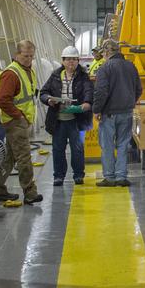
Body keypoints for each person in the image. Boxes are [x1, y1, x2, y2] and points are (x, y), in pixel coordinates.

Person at [0, 40, 43, 205]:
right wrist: (18, 116)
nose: (29, 59)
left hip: (21, 121)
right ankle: (29, 191)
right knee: (24, 157)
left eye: (31, 56)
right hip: (15, 122)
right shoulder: (11, 74)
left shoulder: (28, 71)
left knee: (10, 158)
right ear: (17, 54)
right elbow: (2, 100)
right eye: (25, 56)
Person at [40, 46, 93, 186]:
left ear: (78, 61)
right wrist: (49, 100)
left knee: (77, 149)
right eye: (68, 59)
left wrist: (86, 103)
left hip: (77, 120)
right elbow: (43, 93)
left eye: (74, 59)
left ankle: (78, 175)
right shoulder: (55, 76)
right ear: (63, 61)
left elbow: (88, 91)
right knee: (58, 149)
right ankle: (58, 176)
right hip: (58, 121)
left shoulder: (83, 76)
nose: (71, 62)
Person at [92, 38, 142, 188]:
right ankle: (121, 176)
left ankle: (109, 177)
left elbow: (101, 91)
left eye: (103, 52)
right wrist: (129, 102)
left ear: (107, 51)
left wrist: (97, 110)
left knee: (107, 145)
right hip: (126, 112)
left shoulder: (105, 68)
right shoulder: (131, 66)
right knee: (123, 144)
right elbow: (139, 89)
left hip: (109, 113)